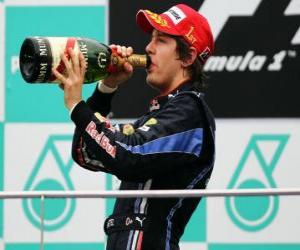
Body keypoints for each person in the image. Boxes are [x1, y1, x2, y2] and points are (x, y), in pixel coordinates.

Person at [53, 3, 216, 250]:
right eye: (151, 39)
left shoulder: (190, 112)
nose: (148, 48)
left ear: (188, 57)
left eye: (161, 41)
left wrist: (78, 105)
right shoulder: (158, 115)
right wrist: (106, 88)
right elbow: (86, 154)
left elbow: (129, 158)